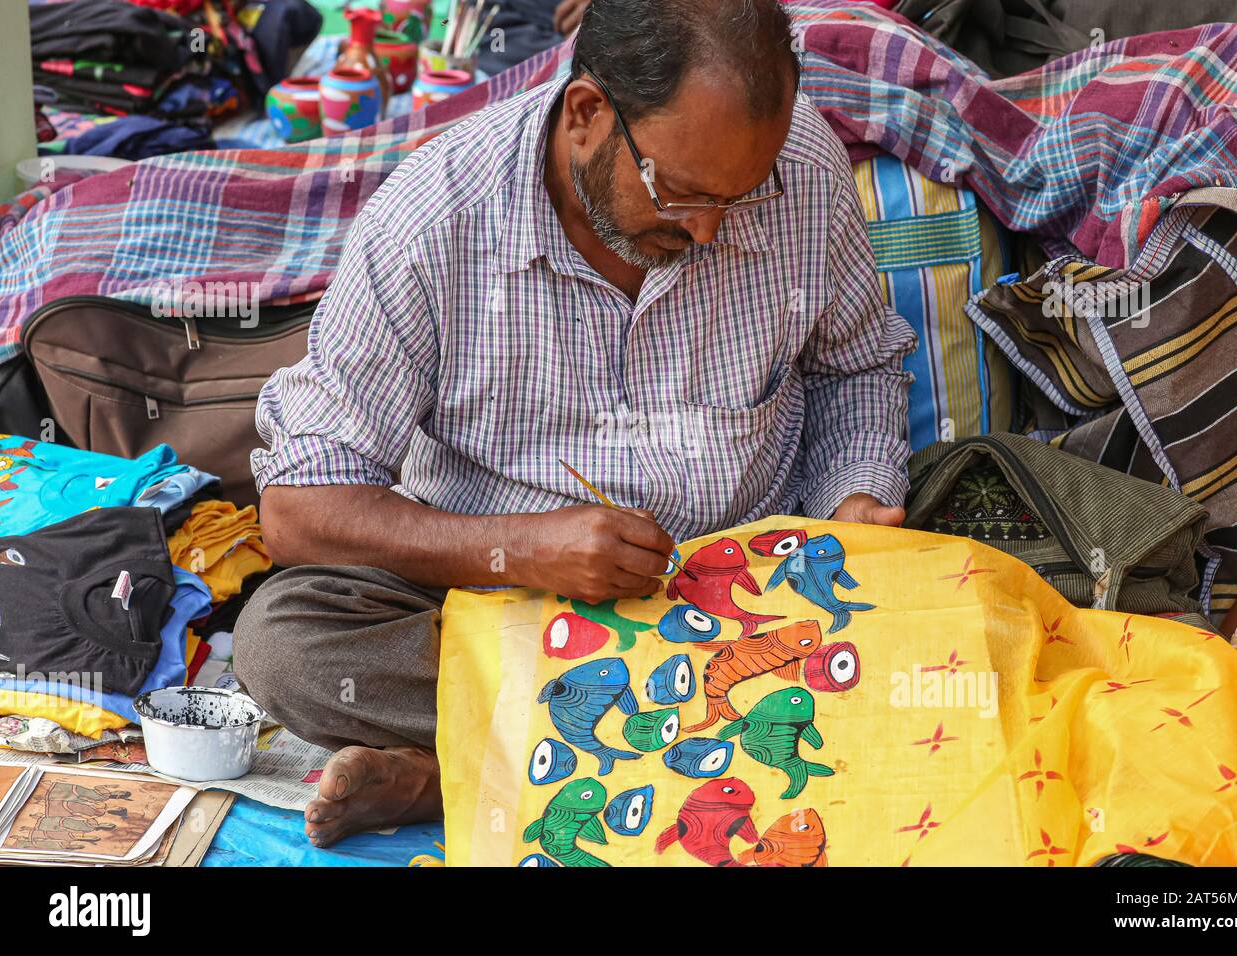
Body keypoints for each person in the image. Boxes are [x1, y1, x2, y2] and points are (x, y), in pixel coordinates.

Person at [233, 0, 916, 847]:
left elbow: (856, 367)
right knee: (285, 651)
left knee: (944, 643)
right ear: (587, 114)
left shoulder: (796, 168)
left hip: (747, 600)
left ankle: (460, 771)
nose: (708, 230)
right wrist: (518, 547)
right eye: (683, 193)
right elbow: (301, 509)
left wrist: (854, 496)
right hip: (494, 605)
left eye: (736, 200)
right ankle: (655, 742)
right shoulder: (434, 220)